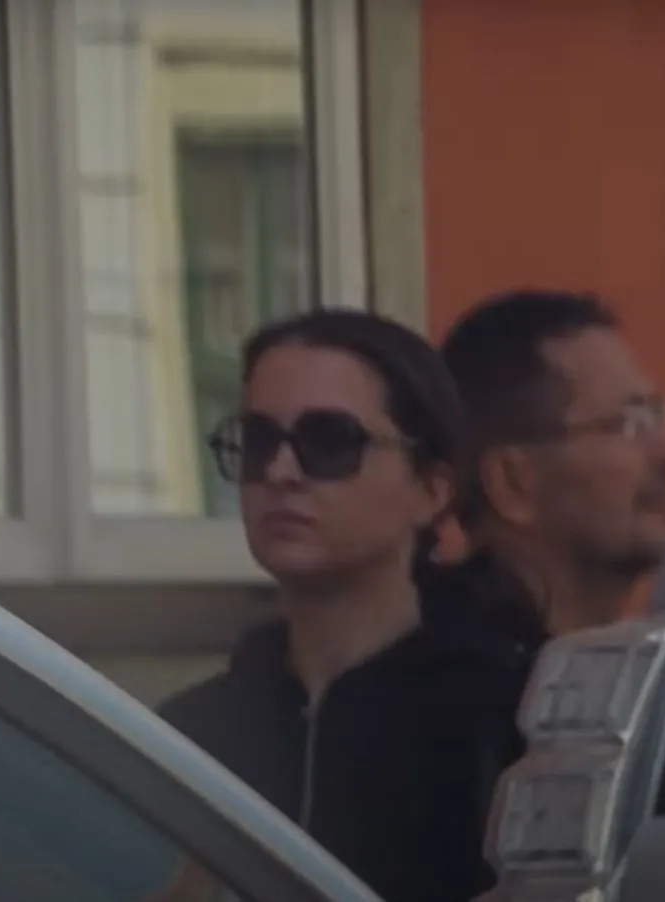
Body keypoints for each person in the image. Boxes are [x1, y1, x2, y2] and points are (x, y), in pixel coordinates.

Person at [157, 309, 529, 902]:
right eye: (258, 442)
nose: (281, 473)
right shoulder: (188, 736)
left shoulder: (508, 726)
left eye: (329, 441)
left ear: (431, 490)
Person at [439, 289, 665, 638]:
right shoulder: (440, 668)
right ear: (511, 482)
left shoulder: (664, 662)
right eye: (629, 424)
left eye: (657, 417)